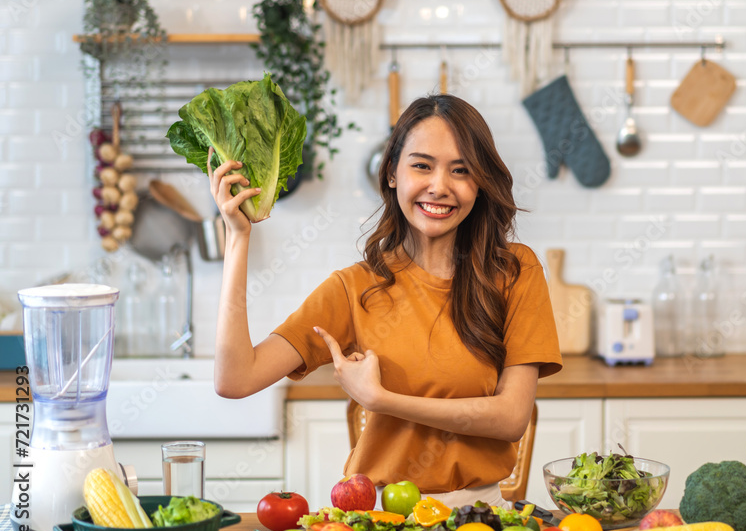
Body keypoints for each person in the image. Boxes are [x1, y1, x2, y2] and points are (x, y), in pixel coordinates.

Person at [208, 94, 562, 507]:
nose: (439, 186)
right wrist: (238, 238)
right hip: (379, 521)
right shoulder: (354, 288)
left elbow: (511, 418)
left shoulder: (515, 271)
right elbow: (235, 379)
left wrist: (382, 400)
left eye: (461, 171)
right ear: (393, 172)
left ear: (480, 183)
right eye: (422, 165)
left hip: (480, 520)